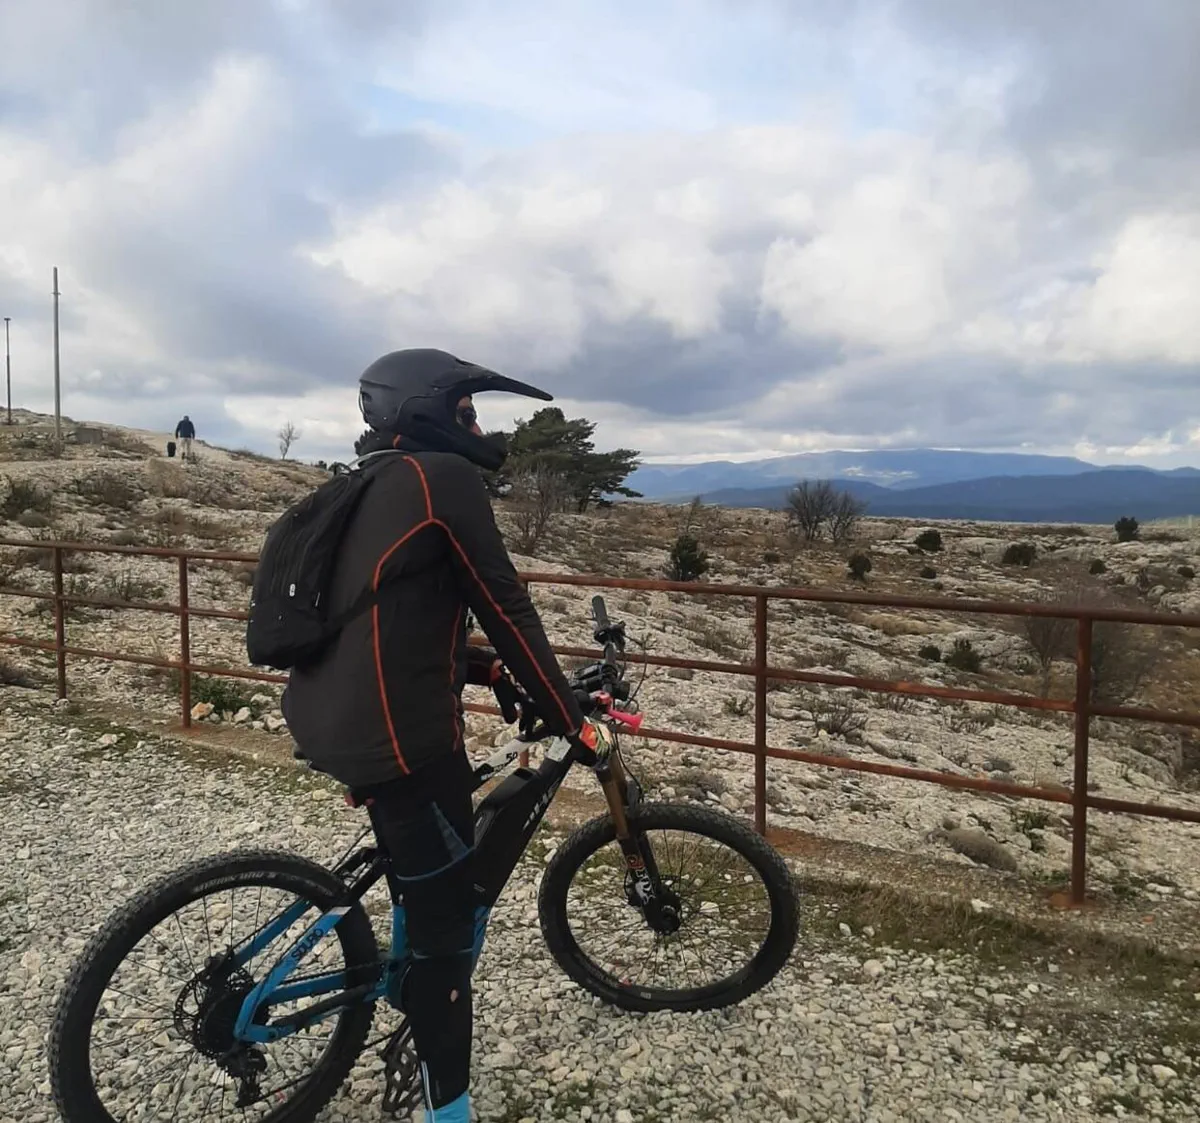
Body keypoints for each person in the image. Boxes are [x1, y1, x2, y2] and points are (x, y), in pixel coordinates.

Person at [281, 348, 590, 1122]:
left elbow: (395, 612)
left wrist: (485, 670)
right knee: (447, 942)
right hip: (401, 740)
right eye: (466, 413)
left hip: (328, 713)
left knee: (422, 877)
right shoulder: (441, 479)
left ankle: (403, 962)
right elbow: (504, 603)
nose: (478, 429)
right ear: (423, 410)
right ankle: (447, 1104)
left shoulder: (372, 481)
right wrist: (568, 715)